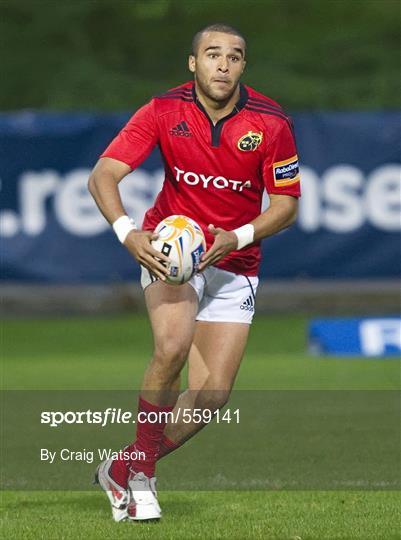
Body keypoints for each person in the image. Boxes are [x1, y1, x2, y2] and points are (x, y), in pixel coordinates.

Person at [88, 23, 301, 522]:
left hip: (236, 261)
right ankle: (142, 480)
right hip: (172, 250)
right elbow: (104, 174)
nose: (223, 64)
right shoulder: (164, 109)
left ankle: (123, 466)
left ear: (243, 66)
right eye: (212, 54)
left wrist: (240, 236)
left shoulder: (271, 122)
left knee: (211, 398)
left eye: (234, 56)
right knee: (172, 346)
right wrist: (127, 232)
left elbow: (287, 204)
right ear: (193, 63)